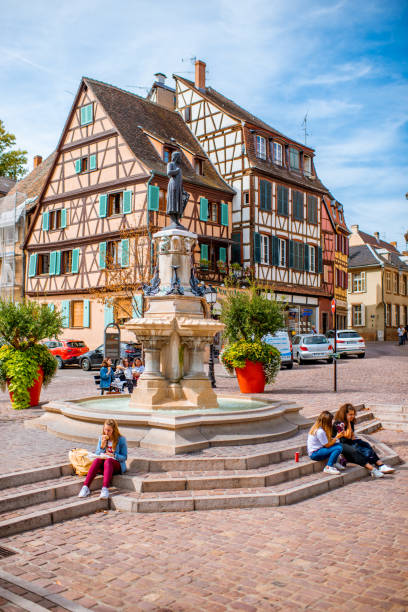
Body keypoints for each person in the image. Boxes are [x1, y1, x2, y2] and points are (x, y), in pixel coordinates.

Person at [333, 403, 394, 478]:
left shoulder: (351, 421)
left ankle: (381, 465)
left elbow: (351, 435)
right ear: (344, 414)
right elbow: (347, 436)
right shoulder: (338, 423)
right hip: (339, 444)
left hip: (348, 442)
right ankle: (373, 469)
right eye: (350, 414)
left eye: (353, 414)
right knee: (355, 451)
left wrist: (350, 428)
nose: (353, 416)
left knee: (366, 445)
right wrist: (348, 423)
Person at [78, 419, 127, 499]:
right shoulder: (102, 438)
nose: (106, 432)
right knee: (97, 460)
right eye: (105, 429)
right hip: (104, 466)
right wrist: (102, 446)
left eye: (109, 430)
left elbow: (124, 457)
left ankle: (105, 489)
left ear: (114, 430)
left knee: (108, 460)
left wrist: (113, 455)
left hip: (115, 466)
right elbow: (97, 454)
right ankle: (85, 487)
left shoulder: (121, 439)